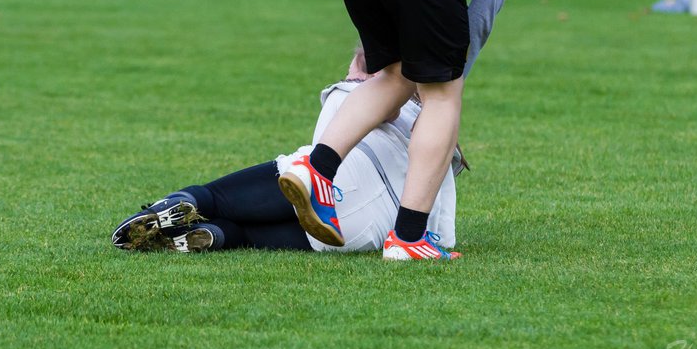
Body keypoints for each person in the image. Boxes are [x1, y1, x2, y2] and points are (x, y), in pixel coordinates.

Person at [275, 0, 548, 261]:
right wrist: (444, 80)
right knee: (442, 94)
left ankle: (316, 169)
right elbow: (483, 13)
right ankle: (409, 237)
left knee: (395, 76)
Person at [112, 47, 464, 254]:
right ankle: (213, 236)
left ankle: (179, 203)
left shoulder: (351, 95)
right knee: (246, 236)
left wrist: (361, 77)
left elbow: (367, 107)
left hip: (335, 183)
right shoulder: (439, 132)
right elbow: (443, 231)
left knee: (216, 197)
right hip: (369, 230)